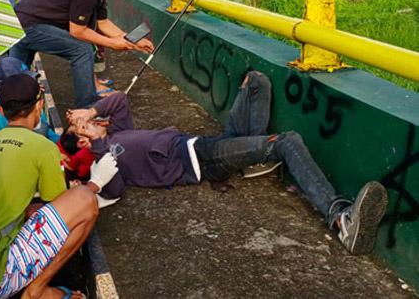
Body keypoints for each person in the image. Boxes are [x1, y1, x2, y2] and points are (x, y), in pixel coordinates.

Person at [68, 71, 389, 255]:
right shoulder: (105, 159)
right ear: (84, 141)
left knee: (257, 82)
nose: (89, 124)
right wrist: (95, 145)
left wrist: (91, 113)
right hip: (203, 161)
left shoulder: (119, 132)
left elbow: (120, 100)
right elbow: (116, 189)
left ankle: (252, 158)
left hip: (206, 143)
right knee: (287, 141)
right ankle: (341, 219)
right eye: (82, 128)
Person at [0, 73, 118, 299]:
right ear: (40, 104)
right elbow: (58, 202)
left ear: (1, 112)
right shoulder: (42, 147)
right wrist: (95, 183)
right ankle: (36, 290)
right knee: (84, 199)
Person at [11, 0, 154, 108]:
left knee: (16, 79)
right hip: (27, 25)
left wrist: (134, 41)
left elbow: (103, 23)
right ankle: (87, 107)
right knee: (82, 49)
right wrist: (112, 43)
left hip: (28, 22)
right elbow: (77, 31)